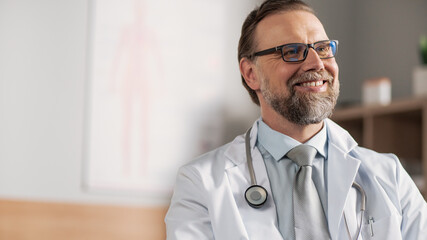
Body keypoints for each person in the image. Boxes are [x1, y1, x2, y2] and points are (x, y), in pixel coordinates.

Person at [165, 0, 427, 239]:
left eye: (323, 48)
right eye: (291, 51)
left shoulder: (390, 176)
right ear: (250, 73)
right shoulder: (201, 183)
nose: (316, 63)